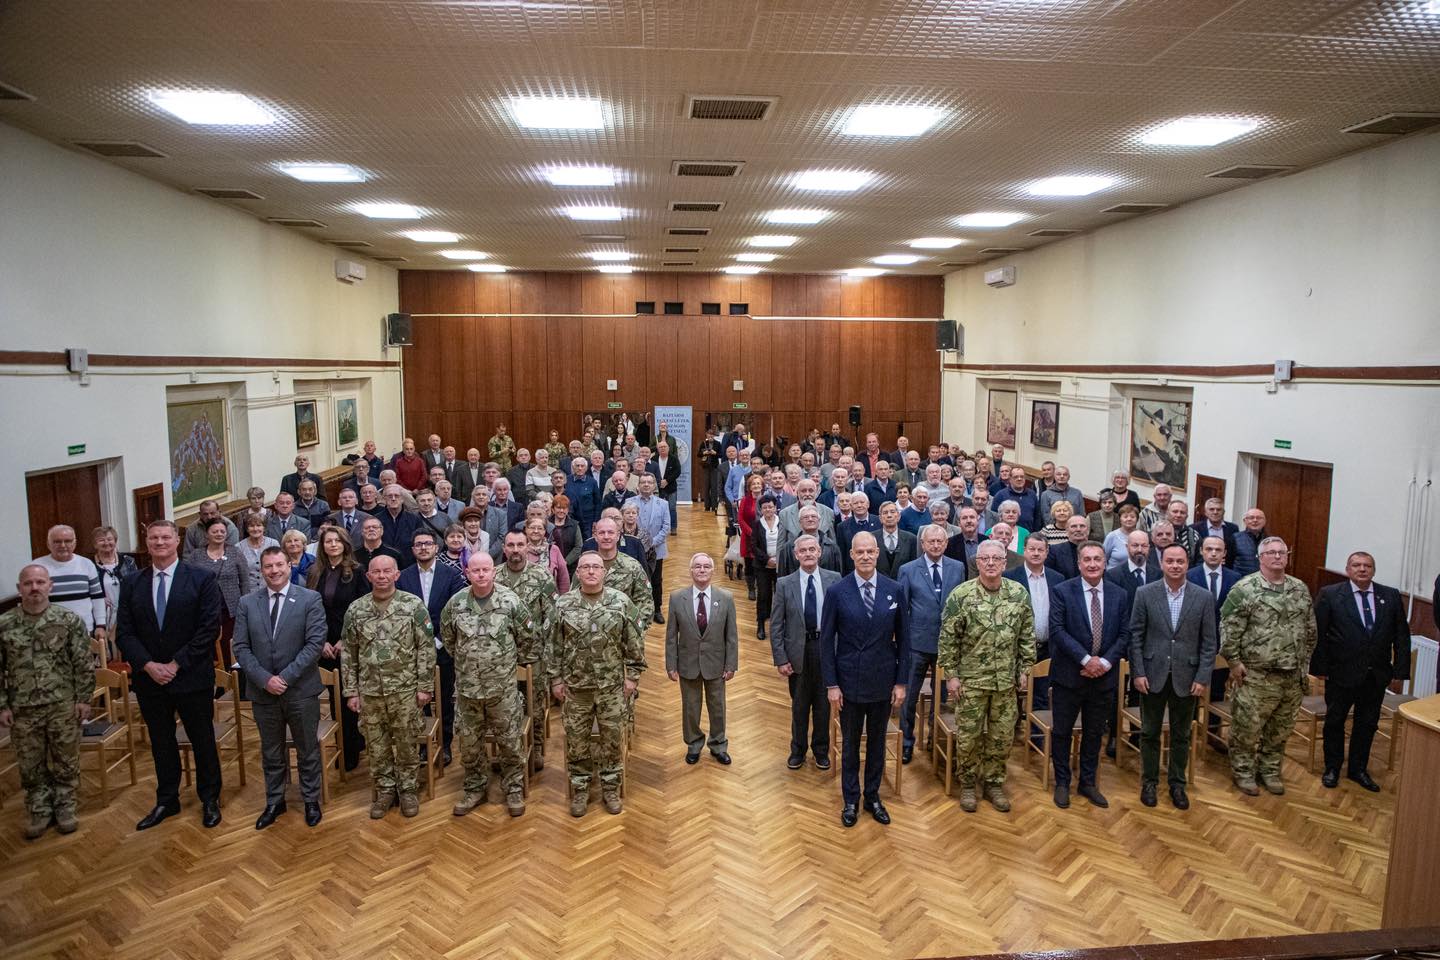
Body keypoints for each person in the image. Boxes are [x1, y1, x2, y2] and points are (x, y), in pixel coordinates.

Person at [115, 520, 224, 830]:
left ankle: (210, 798)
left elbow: (209, 629)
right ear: (147, 543)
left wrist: (176, 664)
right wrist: (149, 665)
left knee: (202, 739)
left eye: (165, 537)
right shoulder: (132, 583)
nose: (160, 542)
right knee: (161, 742)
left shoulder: (201, 579)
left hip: (191, 676)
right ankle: (167, 799)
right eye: (154, 538)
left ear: (177, 540)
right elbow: (124, 633)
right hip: (150, 680)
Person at [232, 546, 328, 829]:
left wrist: (284, 678)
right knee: (271, 751)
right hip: (263, 692)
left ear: (289, 566)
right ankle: (275, 801)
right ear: (261, 570)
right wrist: (265, 680)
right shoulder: (247, 603)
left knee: (307, 749)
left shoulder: (310, 599)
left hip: (300, 690)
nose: (274, 571)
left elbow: (314, 644)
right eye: (268, 566)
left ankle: (311, 800)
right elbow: (241, 646)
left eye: (279, 565)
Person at [938, 540, 1036, 813]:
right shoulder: (961, 595)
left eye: (996, 558)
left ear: (1005, 563)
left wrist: (1025, 669)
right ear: (977, 562)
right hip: (971, 682)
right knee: (969, 737)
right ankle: (968, 784)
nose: (991, 563)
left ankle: (993, 783)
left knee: (1001, 737)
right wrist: (951, 675)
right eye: (985, 559)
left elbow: (1027, 634)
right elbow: (948, 640)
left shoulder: (1018, 593)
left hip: (1006, 682)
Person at [821, 532, 908, 828]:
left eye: (870, 551)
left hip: (882, 679)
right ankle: (850, 800)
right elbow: (826, 642)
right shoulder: (837, 591)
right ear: (852, 555)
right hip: (849, 682)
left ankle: (872, 796)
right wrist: (832, 684)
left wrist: (901, 682)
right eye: (860, 552)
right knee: (850, 745)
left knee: (877, 743)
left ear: (877, 553)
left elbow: (905, 640)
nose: (866, 556)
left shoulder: (894, 589)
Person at [441, 551, 537, 817]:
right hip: (468, 690)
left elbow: (527, 637)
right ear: (467, 573)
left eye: (486, 569)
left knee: (510, 742)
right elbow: (449, 640)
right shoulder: (456, 604)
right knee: (469, 745)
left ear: (494, 571)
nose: (481, 574)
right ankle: (475, 788)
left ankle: (513, 788)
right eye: (476, 570)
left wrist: (503, 665)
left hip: (502, 690)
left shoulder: (510, 601)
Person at [0, 564, 92, 839]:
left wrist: (83, 699)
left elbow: (83, 663)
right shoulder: (5, 624)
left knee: (66, 760)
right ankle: (39, 809)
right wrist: (2, 705)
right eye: (28, 583)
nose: (35, 588)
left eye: (40, 582)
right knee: (30, 765)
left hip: (62, 705)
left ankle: (65, 807)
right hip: (22, 708)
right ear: (19, 589)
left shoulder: (68, 620)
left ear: (50, 586)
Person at [1221, 536, 1317, 796]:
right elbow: (1229, 630)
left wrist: (1304, 663)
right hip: (1256, 676)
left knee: (1280, 729)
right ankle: (1243, 772)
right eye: (1271, 552)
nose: (1277, 556)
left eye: (1281, 552)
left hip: (1291, 676)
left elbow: (1310, 629)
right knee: (1247, 729)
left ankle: (1270, 770)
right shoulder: (1245, 588)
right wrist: (1234, 662)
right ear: (1260, 558)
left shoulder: (1299, 588)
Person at [552, 552, 646, 817]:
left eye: (596, 567)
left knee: (612, 739)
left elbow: (634, 642)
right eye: (586, 567)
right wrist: (556, 679)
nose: (591, 571)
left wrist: (632, 676)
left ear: (604, 572)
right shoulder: (563, 604)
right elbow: (553, 645)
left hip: (611, 687)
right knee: (577, 741)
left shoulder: (621, 602)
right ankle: (580, 789)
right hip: (576, 688)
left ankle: (610, 788)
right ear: (578, 573)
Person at [342, 554, 435, 819]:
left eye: (387, 571)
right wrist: (351, 691)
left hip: (405, 690)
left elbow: (426, 648)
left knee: (407, 743)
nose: (382, 576)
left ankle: (408, 790)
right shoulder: (356, 610)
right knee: (377, 745)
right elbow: (349, 652)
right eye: (376, 572)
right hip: (370, 692)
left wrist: (425, 686)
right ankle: (385, 790)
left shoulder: (412, 605)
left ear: (397, 575)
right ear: (368, 576)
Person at [1311, 551, 1410, 791]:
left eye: (1367, 565)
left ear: (1373, 570)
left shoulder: (1390, 596)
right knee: (1335, 722)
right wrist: (1320, 669)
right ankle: (1332, 767)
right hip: (1340, 673)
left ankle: (1358, 769)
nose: (1362, 569)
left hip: (1375, 675)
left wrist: (1400, 671)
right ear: (1348, 569)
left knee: (1367, 724)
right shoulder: (1331, 595)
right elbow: (1318, 634)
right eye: (1356, 565)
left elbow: (1401, 636)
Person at [1129, 544, 1218, 809]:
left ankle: (1177, 784)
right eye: (1170, 561)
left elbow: (1209, 643)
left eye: (1180, 561)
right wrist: (1138, 672)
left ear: (1188, 564)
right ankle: (1149, 782)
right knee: (1149, 732)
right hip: (1152, 675)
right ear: (1162, 563)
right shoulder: (1145, 593)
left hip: (1187, 677)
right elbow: (1135, 636)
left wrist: (1202, 677)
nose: (1175, 566)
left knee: (1182, 735)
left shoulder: (1203, 597)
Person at [1045, 542, 1129, 809]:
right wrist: (1085, 660)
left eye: (1097, 559)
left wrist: (1103, 662)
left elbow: (1124, 634)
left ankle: (1088, 782)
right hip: (1069, 675)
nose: (1092, 564)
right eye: (1087, 559)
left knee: (1094, 733)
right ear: (1079, 563)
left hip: (1103, 677)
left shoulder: (1119, 594)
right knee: (1062, 732)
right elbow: (1057, 631)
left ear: (1105, 563)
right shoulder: (1062, 591)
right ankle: (1062, 782)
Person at [897, 525, 967, 763]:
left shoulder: (958, 567)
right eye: (931, 541)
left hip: (948, 645)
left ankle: (935, 739)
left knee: (941, 698)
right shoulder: (908, 570)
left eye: (940, 541)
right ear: (923, 544)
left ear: (946, 543)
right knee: (909, 698)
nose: (936, 545)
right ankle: (907, 742)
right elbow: (902, 610)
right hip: (916, 644)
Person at [771, 535, 841, 771]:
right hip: (797, 653)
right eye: (803, 550)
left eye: (812, 549)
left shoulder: (834, 579)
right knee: (799, 706)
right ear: (796, 555)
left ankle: (821, 750)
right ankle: (797, 750)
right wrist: (781, 658)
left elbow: (842, 619)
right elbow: (776, 625)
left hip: (826, 649)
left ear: (819, 552)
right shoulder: (784, 584)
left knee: (823, 705)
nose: (808, 553)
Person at [397, 529, 466, 767]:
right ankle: (424, 745)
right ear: (413, 549)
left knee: (444, 699)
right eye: (419, 544)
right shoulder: (403, 577)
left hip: (442, 648)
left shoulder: (452, 575)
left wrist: (437, 640)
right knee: (418, 699)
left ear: (436, 548)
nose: (424, 547)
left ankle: (445, 744)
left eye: (428, 543)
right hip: (412, 650)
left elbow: (455, 611)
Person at [665, 553, 738, 765]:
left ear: (713, 571)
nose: (702, 570)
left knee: (718, 707)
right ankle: (694, 744)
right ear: (691, 571)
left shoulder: (726, 598)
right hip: (687, 664)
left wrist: (731, 664)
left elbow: (731, 636)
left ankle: (718, 745)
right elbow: (671, 635)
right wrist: (671, 664)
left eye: (706, 566)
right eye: (697, 566)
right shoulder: (677, 598)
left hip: (717, 664)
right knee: (690, 708)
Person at [307, 525, 370, 770]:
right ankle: (344, 745)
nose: (332, 545)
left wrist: (346, 639)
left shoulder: (357, 571)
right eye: (328, 541)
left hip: (349, 642)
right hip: (324, 642)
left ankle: (351, 751)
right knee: (334, 698)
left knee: (350, 696)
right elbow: (311, 610)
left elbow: (364, 609)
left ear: (345, 544)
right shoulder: (315, 572)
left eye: (337, 541)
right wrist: (320, 640)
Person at [496, 529, 558, 771]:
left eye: (520, 545)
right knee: (503, 705)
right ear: (504, 549)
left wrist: (542, 644)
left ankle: (536, 747)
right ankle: (507, 751)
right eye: (510, 545)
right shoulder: (494, 576)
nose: (515, 550)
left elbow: (551, 615)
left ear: (527, 547)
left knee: (535, 703)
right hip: (500, 656)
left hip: (533, 653)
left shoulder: (541, 576)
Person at [1003, 535, 1063, 748]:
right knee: (1011, 693)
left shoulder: (1057, 578)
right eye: (1032, 549)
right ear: (1024, 551)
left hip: (1047, 647)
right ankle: (1008, 735)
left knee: (1041, 694)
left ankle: (1037, 738)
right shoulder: (1010, 577)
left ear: (1047, 552)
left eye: (1040, 549)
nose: (1036, 553)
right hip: (1017, 648)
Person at [184, 516, 252, 664]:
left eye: (222, 531)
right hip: (204, 609)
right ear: (206, 534)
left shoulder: (235, 552)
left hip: (230, 609)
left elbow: (245, 580)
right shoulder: (196, 555)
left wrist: (245, 604)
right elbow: (189, 581)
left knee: (228, 644)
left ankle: (229, 673)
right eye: (215, 531)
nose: (219, 534)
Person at [34, 525, 107, 643]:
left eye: (67, 541)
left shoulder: (87, 564)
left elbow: (97, 597)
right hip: (49, 632)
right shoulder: (37, 567)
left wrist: (100, 625)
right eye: (57, 541)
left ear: (75, 543)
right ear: (48, 544)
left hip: (84, 630)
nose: (63, 545)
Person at [627, 473, 671, 624]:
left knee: (656, 580)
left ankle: (657, 609)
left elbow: (666, 527)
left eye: (649, 482)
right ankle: (635, 609)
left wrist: (651, 543)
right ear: (638, 485)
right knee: (634, 579)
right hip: (634, 550)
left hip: (656, 550)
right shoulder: (629, 502)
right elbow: (625, 524)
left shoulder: (663, 504)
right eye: (643, 482)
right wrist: (638, 544)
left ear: (654, 486)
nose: (646, 485)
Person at [92, 525, 139, 652]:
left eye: (109, 539)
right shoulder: (89, 565)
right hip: (102, 613)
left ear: (115, 541)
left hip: (126, 610)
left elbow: (136, 585)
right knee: (106, 648)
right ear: (95, 544)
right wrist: (99, 598)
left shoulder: (128, 561)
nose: (106, 543)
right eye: (101, 540)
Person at [750, 493, 782, 640]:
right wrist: (767, 560)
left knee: (780, 596)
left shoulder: (782, 522)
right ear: (761, 509)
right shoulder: (757, 524)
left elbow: (786, 542)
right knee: (763, 595)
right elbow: (753, 546)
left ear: (775, 508)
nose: (768, 510)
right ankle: (761, 625)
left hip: (780, 565)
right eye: (765, 507)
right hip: (763, 566)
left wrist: (778, 559)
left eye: (770, 507)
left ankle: (780, 625)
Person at [525, 517, 571, 592]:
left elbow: (564, 579)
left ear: (544, 531)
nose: (536, 531)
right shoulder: (520, 550)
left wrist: (564, 597)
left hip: (550, 597)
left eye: (540, 528)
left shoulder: (554, 550)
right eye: (532, 528)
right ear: (526, 529)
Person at [1191, 498, 1239, 566]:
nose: (1215, 512)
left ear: (1223, 512)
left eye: (1219, 509)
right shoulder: (1195, 528)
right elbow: (1193, 555)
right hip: (1202, 568)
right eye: (1211, 509)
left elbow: (1234, 552)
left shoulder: (1233, 528)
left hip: (1226, 568)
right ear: (1205, 512)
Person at [875, 502, 917, 579]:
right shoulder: (872, 538)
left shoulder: (911, 539)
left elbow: (914, 567)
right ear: (880, 518)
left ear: (898, 516)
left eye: (892, 512)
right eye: (885, 513)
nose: (889, 515)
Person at [1102, 504, 1141, 568]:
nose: (1129, 519)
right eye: (1125, 517)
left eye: (1132, 517)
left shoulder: (1142, 536)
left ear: (1137, 519)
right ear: (1120, 519)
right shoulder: (1111, 536)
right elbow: (1103, 557)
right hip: (1113, 573)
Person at [1232, 508, 1268, 576]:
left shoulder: (1270, 540)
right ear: (1245, 521)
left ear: (1264, 521)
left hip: (1264, 579)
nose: (1255, 520)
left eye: (1259, 518)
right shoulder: (1235, 538)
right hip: (1241, 580)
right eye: (1251, 518)